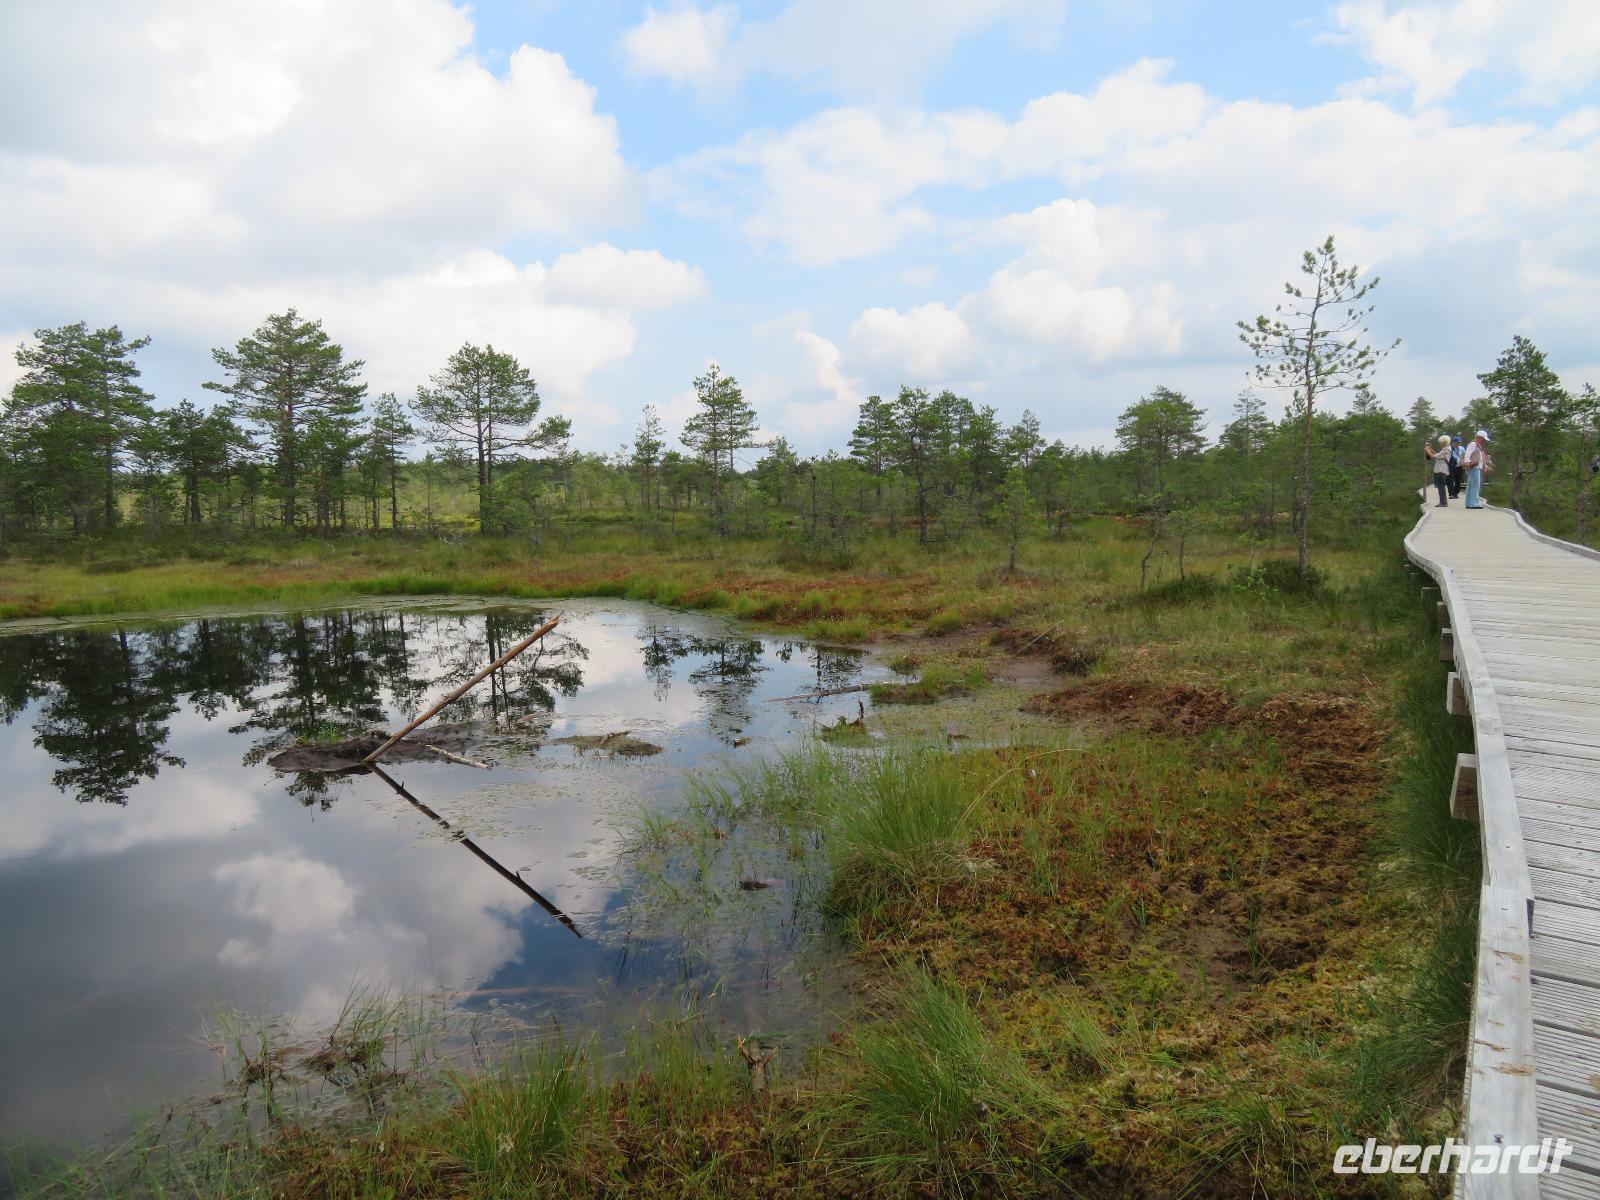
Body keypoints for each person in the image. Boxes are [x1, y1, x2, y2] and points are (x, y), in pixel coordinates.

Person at [1461, 430, 1491, 509]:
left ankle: (1469, 503)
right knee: (1475, 485)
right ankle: (1473, 503)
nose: (1484, 441)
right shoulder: (1473, 444)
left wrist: (1485, 466)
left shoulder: (1477, 446)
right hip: (1474, 467)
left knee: (1471, 485)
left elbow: (1480, 458)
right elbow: (1468, 454)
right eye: (1483, 439)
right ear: (1479, 437)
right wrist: (1467, 462)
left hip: (1475, 467)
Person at [1424, 434, 1451, 506]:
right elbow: (1437, 455)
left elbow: (1433, 457)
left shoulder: (1446, 450)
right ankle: (1442, 502)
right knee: (1440, 486)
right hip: (1440, 468)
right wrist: (1430, 450)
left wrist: (1427, 451)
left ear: (1444, 442)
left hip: (1441, 469)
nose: (1440, 444)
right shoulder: (1445, 449)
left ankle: (1443, 502)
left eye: (1441, 442)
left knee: (1441, 486)